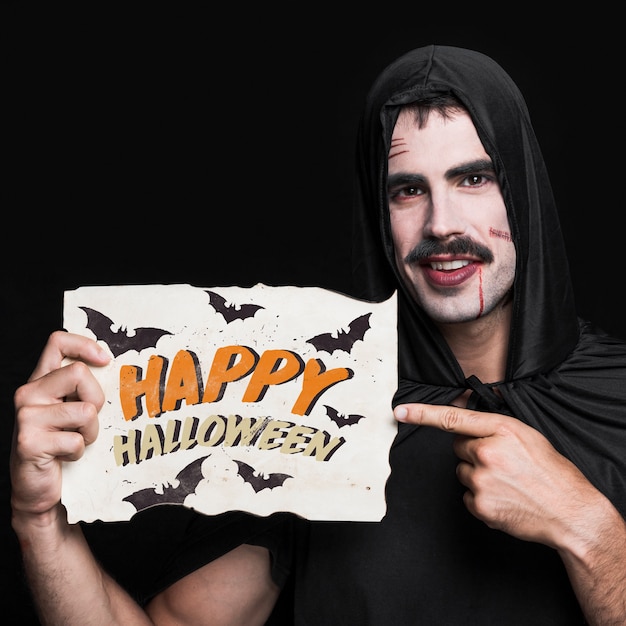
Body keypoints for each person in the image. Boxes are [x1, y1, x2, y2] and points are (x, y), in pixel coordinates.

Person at [9, 44, 626, 625]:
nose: (442, 225)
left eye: (474, 179)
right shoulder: (312, 403)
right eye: (408, 190)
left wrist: (588, 528)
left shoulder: (618, 400)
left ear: (523, 189)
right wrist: (39, 523)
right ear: (376, 214)